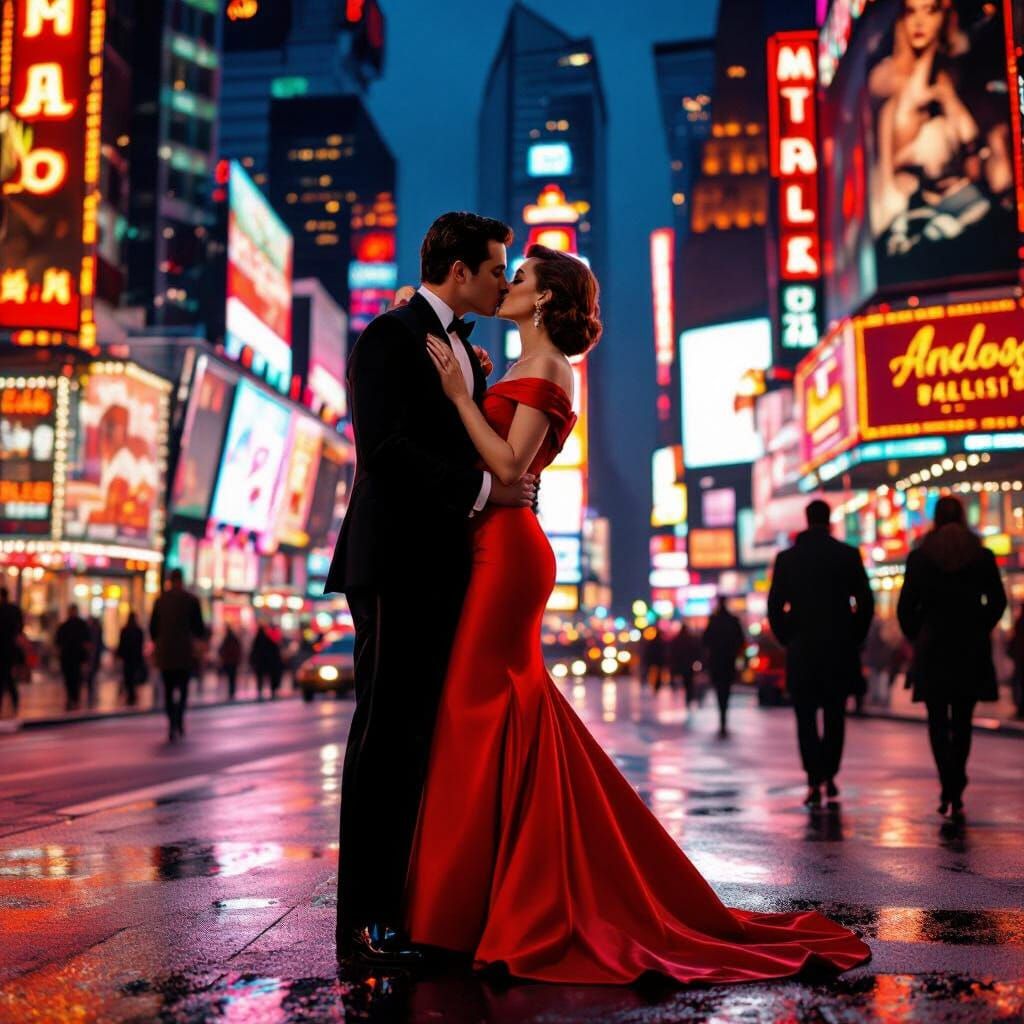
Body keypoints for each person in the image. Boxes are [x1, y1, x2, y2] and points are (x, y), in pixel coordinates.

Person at [403, 243, 869, 984]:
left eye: (520, 278)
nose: (507, 284)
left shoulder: (551, 367)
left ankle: (472, 909)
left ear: (545, 299)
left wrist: (462, 396)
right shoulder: (520, 365)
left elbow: (509, 466)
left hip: (508, 555)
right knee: (494, 711)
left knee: (477, 707)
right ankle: (477, 899)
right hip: (491, 546)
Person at [324, 212, 537, 964]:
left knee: (416, 736)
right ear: (458, 271)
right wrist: (485, 491)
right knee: (384, 737)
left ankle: (404, 911)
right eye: (496, 269)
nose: (503, 281)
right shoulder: (389, 336)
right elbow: (383, 450)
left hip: (442, 564)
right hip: (394, 562)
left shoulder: (463, 351)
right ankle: (366, 922)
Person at [897, 495, 1007, 817]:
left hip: (933, 647)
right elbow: (997, 601)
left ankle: (947, 779)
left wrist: (918, 634)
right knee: (962, 719)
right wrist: (980, 624)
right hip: (970, 647)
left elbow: (906, 608)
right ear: (962, 517)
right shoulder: (981, 556)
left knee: (937, 719)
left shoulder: (920, 557)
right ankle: (956, 780)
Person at [767, 500, 874, 807]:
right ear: (829, 521)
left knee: (805, 716)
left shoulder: (788, 559)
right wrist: (854, 636)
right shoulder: (847, 555)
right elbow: (865, 602)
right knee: (834, 714)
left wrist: (788, 638)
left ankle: (813, 777)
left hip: (802, 650)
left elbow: (775, 606)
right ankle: (829, 772)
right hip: (839, 649)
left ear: (806, 519)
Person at [150, 568, 206, 742]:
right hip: (184, 653)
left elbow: (152, 629)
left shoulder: (160, 600)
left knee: (168, 691)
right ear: (182, 580)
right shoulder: (191, 600)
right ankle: (179, 719)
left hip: (166, 653)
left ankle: (172, 722)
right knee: (183, 690)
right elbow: (199, 629)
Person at [702, 598, 745, 737]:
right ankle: (724, 719)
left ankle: (722, 719)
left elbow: (705, 641)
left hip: (717, 662)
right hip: (729, 661)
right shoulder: (733, 621)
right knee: (726, 690)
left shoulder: (713, 621)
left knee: (720, 691)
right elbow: (741, 640)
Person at [55, 604, 91, 711]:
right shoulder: (75, 625)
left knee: (72, 678)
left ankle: (73, 698)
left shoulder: (67, 626)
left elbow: (58, 643)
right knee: (73, 678)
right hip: (72, 656)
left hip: (71, 656)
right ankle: (73, 698)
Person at [0, 587, 25, 717]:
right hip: (11, 648)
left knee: (4, 677)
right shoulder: (14, 610)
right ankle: (15, 704)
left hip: (4, 648)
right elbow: (20, 629)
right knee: (9, 677)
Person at [115, 611, 146, 707]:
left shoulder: (125, 630)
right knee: (133, 676)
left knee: (128, 676)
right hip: (135, 657)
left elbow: (121, 644)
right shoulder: (138, 631)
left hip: (127, 657)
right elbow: (140, 645)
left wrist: (119, 655)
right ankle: (132, 694)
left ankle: (131, 695)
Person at [668, 621, 701, 705]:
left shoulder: (677, 639)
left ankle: (686, 697)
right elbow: (695, 651)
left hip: (681, 664)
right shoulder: (690, 639)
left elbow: (673, 653)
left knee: (683, 681)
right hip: (689, 664)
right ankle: (688, 698)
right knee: (688, 682)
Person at [250, 624, 284, 700]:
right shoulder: (268, 640)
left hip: (260, 663)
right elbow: (275, 651)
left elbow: (253, 652)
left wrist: (253, 661)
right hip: (268, 663)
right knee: (271, 677)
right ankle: (272, 691)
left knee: (260, 678)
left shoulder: (257, 641)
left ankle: (260, 692)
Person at [218, 626, 242, 701]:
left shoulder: (226, 640)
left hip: (228, 661)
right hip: (233, 661)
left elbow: (221, 650)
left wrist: (223, 657)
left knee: (230, 677)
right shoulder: (234, 640)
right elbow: (239, 649)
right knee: (232, 677)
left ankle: (231, 691)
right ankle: (231, 691)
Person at [85, 614, 104, 707]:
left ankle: (92, 691)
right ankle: (92, 691)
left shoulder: (93, 631)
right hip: (93, 656)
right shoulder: (94, 631)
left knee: (91, 674)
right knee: (92, 674)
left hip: (93, 656)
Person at [641, 623, 667, 691]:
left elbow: (648, 652)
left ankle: (653, 685)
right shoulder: (661, 642)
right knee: (658, 673)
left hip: (653, 660)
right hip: (659, 661)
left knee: (652, 673)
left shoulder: (652, 642)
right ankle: (656, 685)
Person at [1009, 605, 1024, 720]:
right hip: (1020, 658)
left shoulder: (1020, 621)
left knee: (1019, 683)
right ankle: (1020, 708)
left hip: (1020, 658)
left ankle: (1020, 708)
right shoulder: (1019, 622)